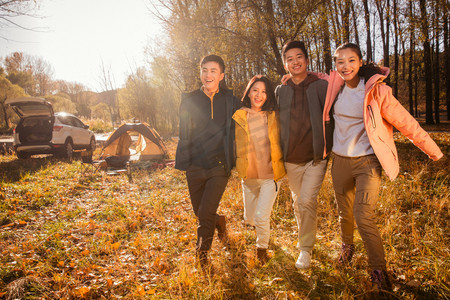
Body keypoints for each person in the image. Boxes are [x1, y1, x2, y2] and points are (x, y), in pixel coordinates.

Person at [323, 43, 443, 292]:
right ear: (335, 65)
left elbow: (406, 122)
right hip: (340, 162)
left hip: (367, 162)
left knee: (363, 215)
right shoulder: (333, 88)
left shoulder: (377, 92)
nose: (345, 66)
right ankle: (347, 248)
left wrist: (434, 151)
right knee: (344, 214)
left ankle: (378, 271)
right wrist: (290, 76)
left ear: (360, 62)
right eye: (340, 62)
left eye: (351, 61)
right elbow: (311, 77)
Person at [175, 54, 241, 268]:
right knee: (200, 211)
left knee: (204, 213)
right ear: (200, 73)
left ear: (221, 75)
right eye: (204, 70)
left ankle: (202, 255)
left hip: (219, 166)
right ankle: (219, 221)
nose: (208, 74)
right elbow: (184, 132)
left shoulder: (230, 100)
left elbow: (256, 106)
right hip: (194, 165)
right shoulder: (189, 100)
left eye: (213, 71)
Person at [275, 40, 329, 269]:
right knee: (299, 203)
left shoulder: (321, 86)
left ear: (306, 59)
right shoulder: (281, 89)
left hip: (316, 157)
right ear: (285, 64)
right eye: (289, 59)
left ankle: (305, 250)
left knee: (307, 200)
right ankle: (305, 239)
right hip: (291, 159)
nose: (295, 62)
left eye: (299, 57)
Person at [233, 75, 286, 263]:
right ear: (248, 92)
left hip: (270, 176)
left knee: (261, 216)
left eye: (264, 91)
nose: (259, 95)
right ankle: (260, 233)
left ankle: (261, 250)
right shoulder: (239, 115)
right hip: (248, 177)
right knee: (250, 219)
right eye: (255, 90)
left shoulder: (274, 116)